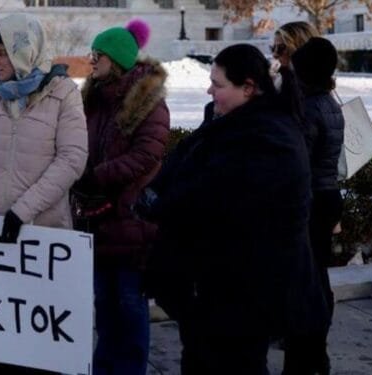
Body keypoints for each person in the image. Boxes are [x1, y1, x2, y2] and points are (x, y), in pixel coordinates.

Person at [136, 44, 329, 374]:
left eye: (218, 84)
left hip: (242, 295)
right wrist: (154, 194)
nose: (209, 90)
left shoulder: (271, 135)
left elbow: (213, 198)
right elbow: (184, 161)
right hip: (213, 291)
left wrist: (161, 205)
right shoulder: (227, 121)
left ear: (249, 87)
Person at [0, 13, 88, 375]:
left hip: (41, 240)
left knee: (38, 354)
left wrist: (23, 210)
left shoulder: (64, 93)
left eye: (2, 54)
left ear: (25, 52)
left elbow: (72, 158)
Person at [72, 19, 169, 375]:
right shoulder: (93, 99)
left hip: (131, 224)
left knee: (129, 309)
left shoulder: (148, 103)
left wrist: (95, 177)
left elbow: (147, 155)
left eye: (98, 55)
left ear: (117, 59)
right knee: (106, 309)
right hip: (96, 222)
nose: (92, 61)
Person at [284, 37, 345, 375]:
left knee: (304, 285)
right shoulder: (329, 103)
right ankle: (315, 354)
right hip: (327, 197)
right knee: (318, 278)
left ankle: (304, 358)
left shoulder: (308, 108)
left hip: (310, 201)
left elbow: (297, 161)